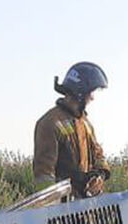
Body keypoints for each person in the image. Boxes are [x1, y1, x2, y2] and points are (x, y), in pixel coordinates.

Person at [33, 62, 111, 198]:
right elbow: (44, 176)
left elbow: (98, 155)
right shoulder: (50, 123)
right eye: (90, 93)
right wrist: (52, 210)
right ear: (80, 92)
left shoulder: (85, 124)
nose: (92, 98)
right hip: (63, 211)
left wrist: (99, 175)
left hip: (86, 207)